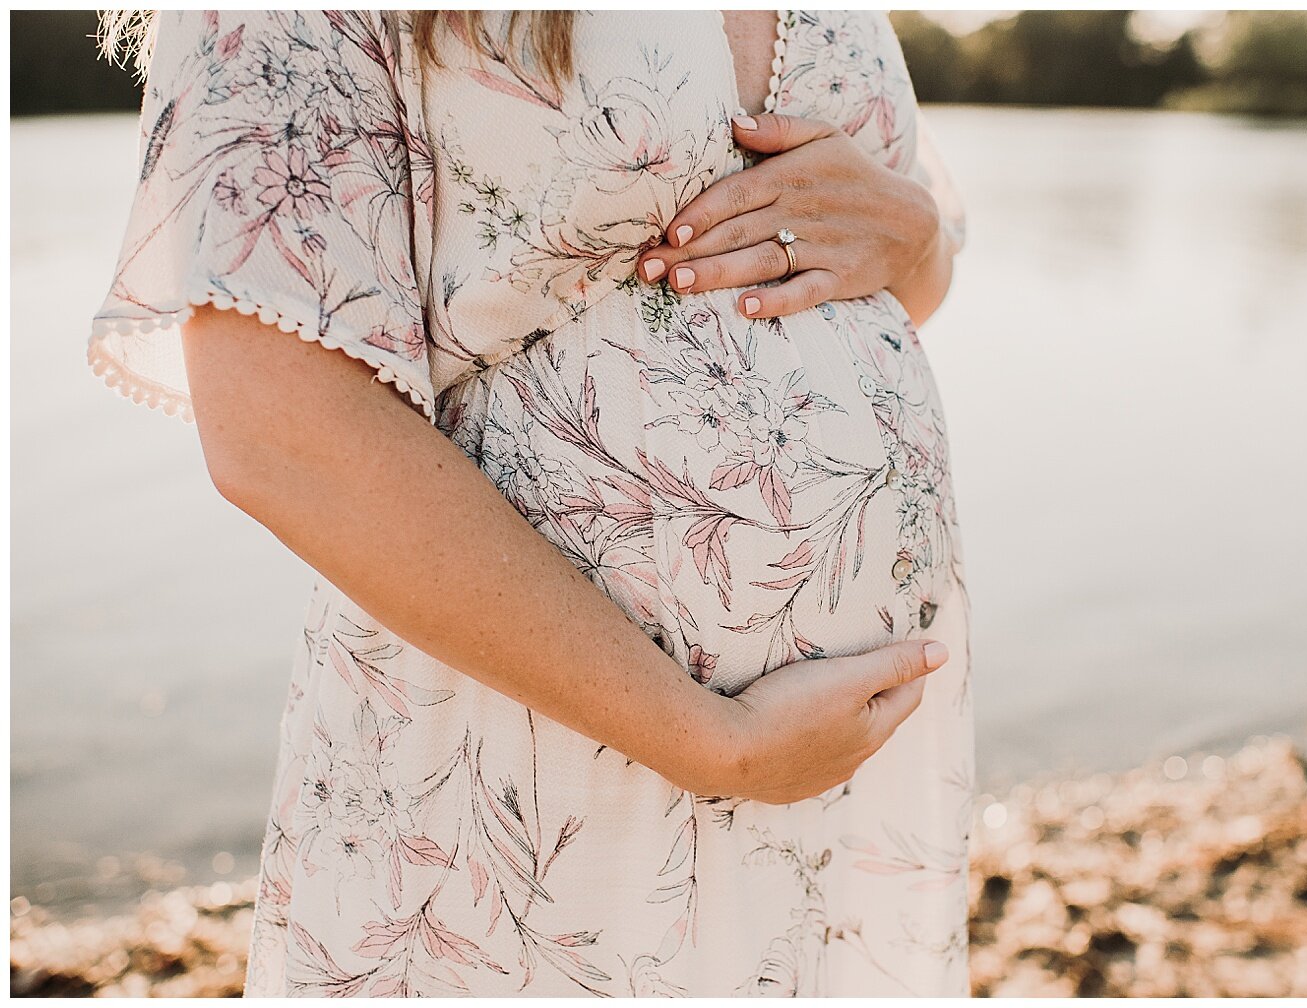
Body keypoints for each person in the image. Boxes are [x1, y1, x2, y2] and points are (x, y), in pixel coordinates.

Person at [90, 9, 971, 997]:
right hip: (534, 769)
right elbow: (279, 430)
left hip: (843, 774)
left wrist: (916, 237)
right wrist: (710, 742)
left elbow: (860, 290)